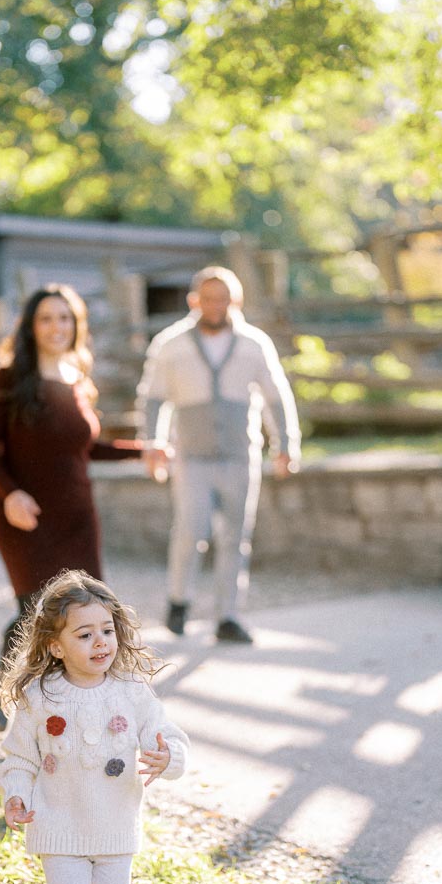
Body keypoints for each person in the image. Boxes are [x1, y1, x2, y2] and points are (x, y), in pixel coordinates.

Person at [0, 568, 189, 884]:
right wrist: (15, 794)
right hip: (57, 826)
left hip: (115, 826)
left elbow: (172, 738)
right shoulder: (41, 697)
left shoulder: (132, 693)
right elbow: (17, 759)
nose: (100, 642)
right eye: (85, 634)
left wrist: (169, 758)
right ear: (56, 646)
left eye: (107, 630)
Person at [0, 285, 141, 731]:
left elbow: (84, 448)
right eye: (46, 318)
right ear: (31, 327)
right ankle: (3, 680)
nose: (56, 327)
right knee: (36, 608)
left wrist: (142, 450)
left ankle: (72, 707)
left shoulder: (76, 377)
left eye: (64, 318)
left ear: (76, 325)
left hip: (77, 516)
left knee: (86, 613)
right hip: (25, 515)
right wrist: (10, 492)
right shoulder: (9, 378)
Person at [137, 265, 301, 644]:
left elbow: (276, 396)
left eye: (223, 298)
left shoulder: (253, 344)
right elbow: (154, 397)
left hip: (240, 456)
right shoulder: (171, 344)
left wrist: (286, 445)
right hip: (192, 457)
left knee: (235, 537)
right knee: (190, 530)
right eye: (207, 298)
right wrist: (153, 443)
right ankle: (179, 600)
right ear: (195, 300)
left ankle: (228, 615)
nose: (215, 305)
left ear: (235, 301)